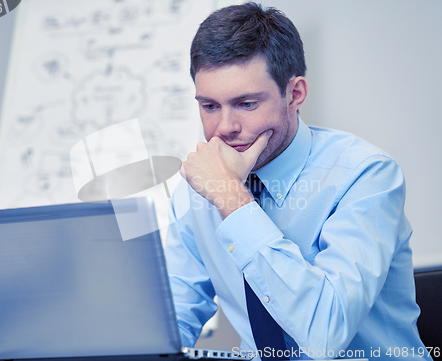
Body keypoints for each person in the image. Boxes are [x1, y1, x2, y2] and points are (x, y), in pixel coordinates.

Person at [164, 2, 431, 361]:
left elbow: (324, 334)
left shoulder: (367, 175)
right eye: (209, 106)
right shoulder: (197, 187)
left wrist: (231, 197)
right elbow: (171, 322)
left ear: (295, 94)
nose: (225, 128)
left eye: (245, 103)